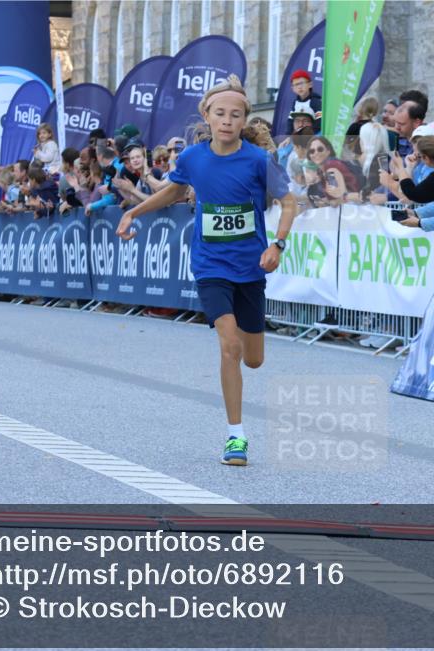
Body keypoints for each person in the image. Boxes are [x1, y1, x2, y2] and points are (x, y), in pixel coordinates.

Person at [115, 74, 297, 467]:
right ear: (207, 116)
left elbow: (289, 202)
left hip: (250, 266)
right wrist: (133, 211)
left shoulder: (258, 160)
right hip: (210, 265)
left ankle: (243, 377)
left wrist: (277, 244)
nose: (227, 121)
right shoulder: (192, 158)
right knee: (229, 347)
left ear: (244, 120)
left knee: (253, 359)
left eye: (235, 115)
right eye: (220, 113)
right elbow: (174, 191)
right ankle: (236, 436)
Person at [285, 69, 322, 135]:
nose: (299, 87)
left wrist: (310, 135)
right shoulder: (295, 103)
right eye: (296, 84)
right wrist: (288, 136)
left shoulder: (316, 102)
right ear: (292, 88)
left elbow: (319, 121)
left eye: (301, 83)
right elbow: (290, 121)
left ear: (310, 84)